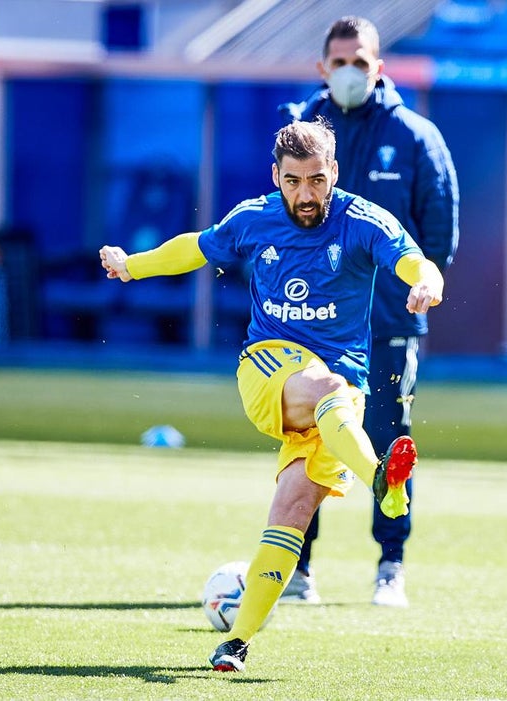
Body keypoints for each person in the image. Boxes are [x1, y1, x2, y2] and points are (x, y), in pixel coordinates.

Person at [97, 118, 445, 672]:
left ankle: (234, 643)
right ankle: (381, 477)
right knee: (327, 386)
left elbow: (414, 260)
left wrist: (427, 283)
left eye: (316, 180)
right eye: (293, 181)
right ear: (276, 177)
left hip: (337, 401)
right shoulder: (254, 219)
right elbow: (195, 247)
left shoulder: (363, 221)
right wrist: (132, 266)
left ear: (334, 172)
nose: (306, 194)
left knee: (293, 511)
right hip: (269, 369)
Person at [275, 16, 459, 608]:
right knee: (306, 439)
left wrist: (421, 281)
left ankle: (390, 564)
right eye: (340, 60)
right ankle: (296, 569)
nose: (350, 70)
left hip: (387, 323)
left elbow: (440, 232)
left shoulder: (414, 136)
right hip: (313, 324)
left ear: (379, 66)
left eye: (361, 60)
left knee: (387, 440)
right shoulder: (300, 136)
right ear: (322, 68)